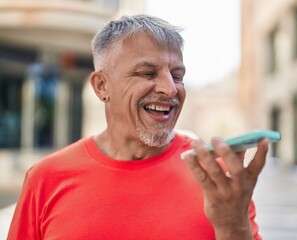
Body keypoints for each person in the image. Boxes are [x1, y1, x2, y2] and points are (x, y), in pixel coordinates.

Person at [7, 15, 269, 240]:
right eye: (147, 73)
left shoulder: (217, 177)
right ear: (101, 86)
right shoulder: (46, 178)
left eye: (177, 76)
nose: (170, 89)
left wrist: (233, 227)